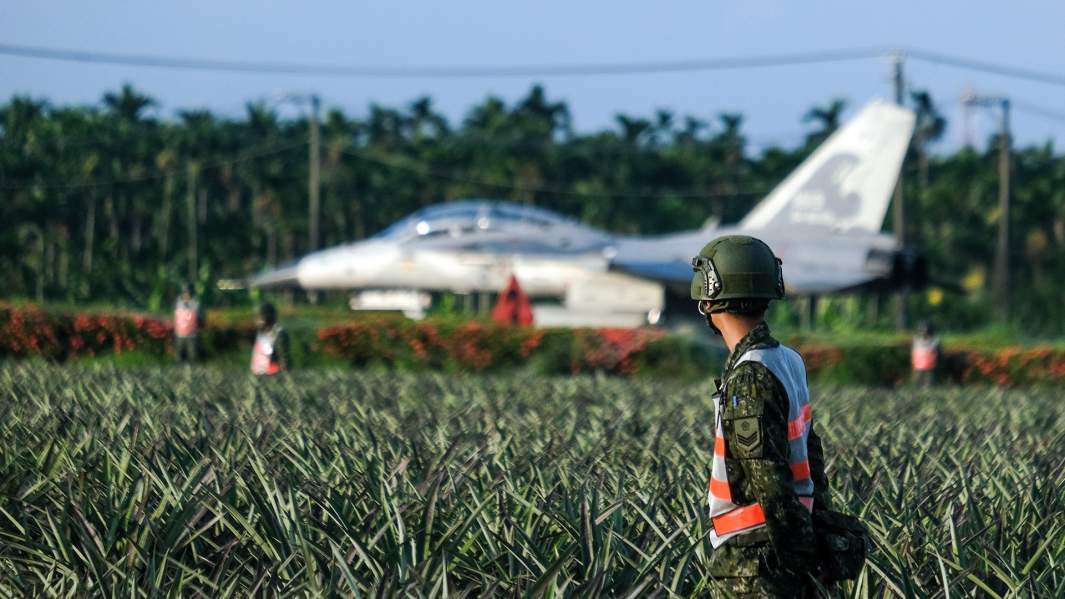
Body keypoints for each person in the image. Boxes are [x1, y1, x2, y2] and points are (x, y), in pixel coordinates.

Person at [691, 235, 832, 598]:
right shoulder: (788, 360)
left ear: (709, 299)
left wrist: (800, 563)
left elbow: (769, 481)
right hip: (787, 547)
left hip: (755, 560)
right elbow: (812, 458)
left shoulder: (749, 375)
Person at [250, 302, 288, 376]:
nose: (256, 320)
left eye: (259, 316)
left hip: (273, 376)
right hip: (259, 375)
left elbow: (283, 359)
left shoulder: (279, 333)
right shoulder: (261, 333)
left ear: (267, 316)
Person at [173, 283, 202, 363]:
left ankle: (193, 367)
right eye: (185, 293)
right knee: (179, 353)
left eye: (188, 293)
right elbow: (176, 315)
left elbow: (198, 316)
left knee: (192, 353)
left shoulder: (195, 303)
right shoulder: (178, 302)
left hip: (191, 334)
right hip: (180, 333)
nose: (186, 295)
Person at [911, 320, 940, 387]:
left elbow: (938, 354)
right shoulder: (916, 341)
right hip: (918, 366)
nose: (924, 332)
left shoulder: (935, 341)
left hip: (930, 366)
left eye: (926, 330)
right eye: (922, 330)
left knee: (929, 383)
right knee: (917, 382)